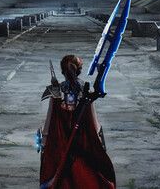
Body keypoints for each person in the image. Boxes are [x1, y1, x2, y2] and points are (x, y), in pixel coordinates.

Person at [36, 54, 117, 189]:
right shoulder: (85, 91)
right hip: (83, 143)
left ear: (62, 71)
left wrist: (44, 143)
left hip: (61, 145)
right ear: (79, 70)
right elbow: (94, 123)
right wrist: (99, 142)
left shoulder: (55, 91)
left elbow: (49, 122)